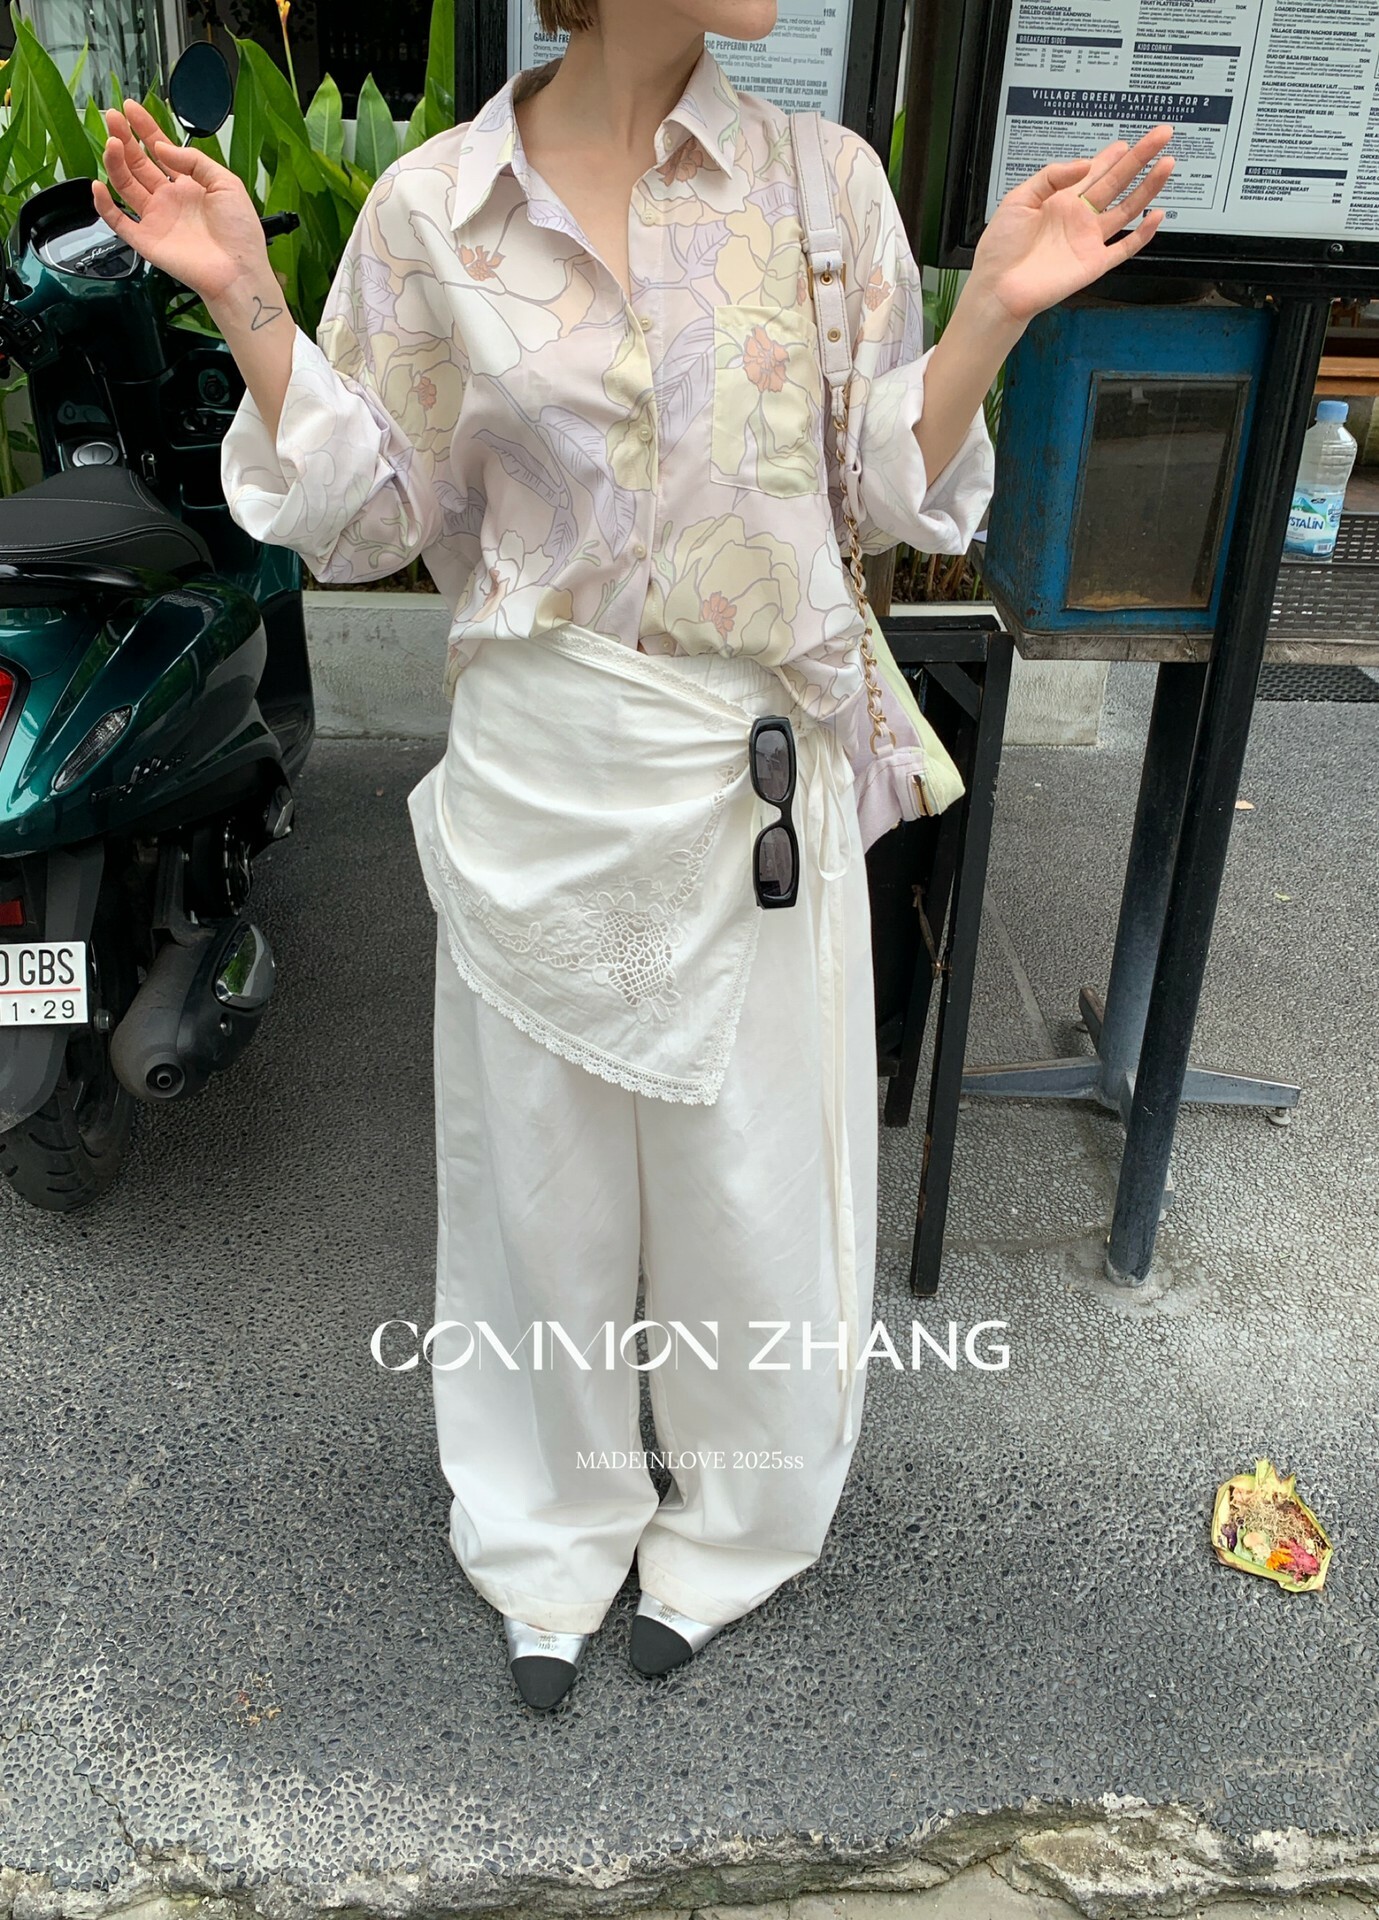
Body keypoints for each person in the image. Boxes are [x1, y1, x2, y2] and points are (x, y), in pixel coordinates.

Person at [94, 0, 1173, 1713]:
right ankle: (546, 1528)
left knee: (754, 1193)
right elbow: (369, 519)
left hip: (747, 781)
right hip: (541, 777)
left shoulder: (824, 186)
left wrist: (991, 312)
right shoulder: (436, 208)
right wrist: (245, 297)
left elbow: (890, 493)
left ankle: (738, 1528)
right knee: (535, 1196)